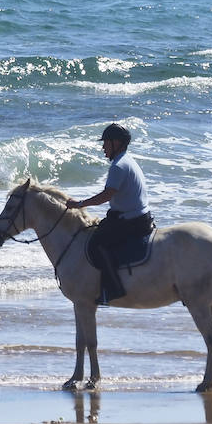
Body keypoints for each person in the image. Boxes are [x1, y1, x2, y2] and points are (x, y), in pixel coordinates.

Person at [66, 123, 153, 304]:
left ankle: (113, 289)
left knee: (97, 244)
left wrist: (80, 204)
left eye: (106, 143)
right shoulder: (126, 160)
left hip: (131, 220)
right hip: (134, 216)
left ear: (117, 143)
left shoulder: (119, 166)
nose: (103, 147)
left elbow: (106, 195)